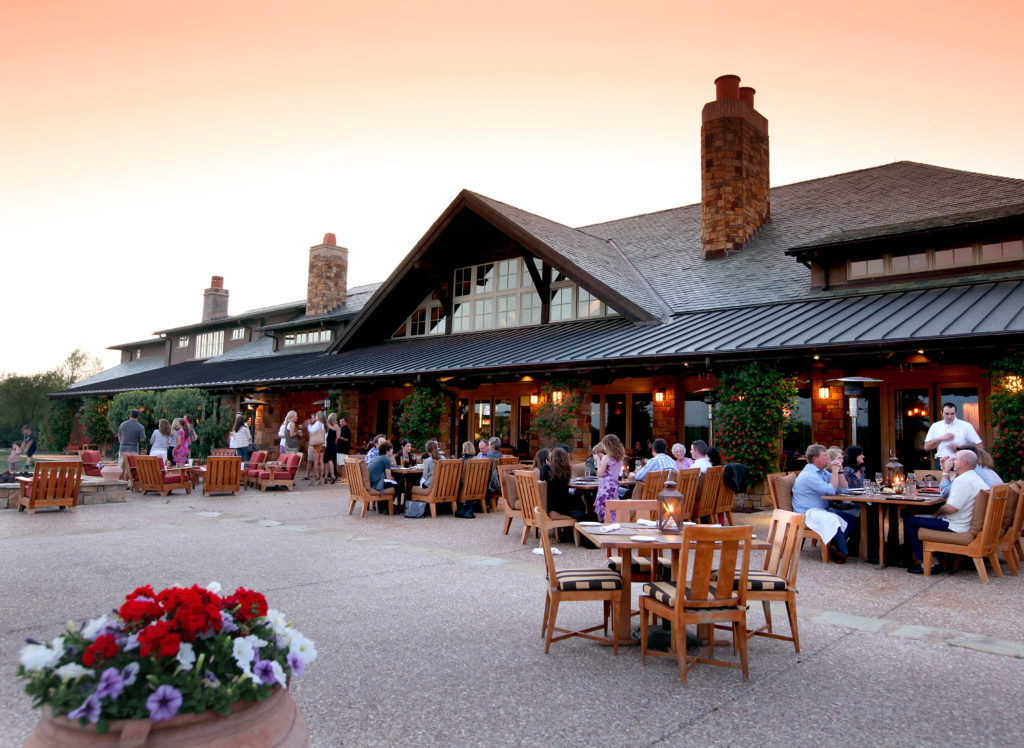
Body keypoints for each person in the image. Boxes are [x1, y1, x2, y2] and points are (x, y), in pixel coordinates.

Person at [904, 450, 987, 575]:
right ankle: (935, 559)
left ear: (964, 462)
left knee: (911, 521)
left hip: (956, 527)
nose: (953, 461)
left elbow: (950, 508)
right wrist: (945, 470)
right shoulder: (975, 478)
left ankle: (929, 563)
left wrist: (937, 513)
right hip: (966, 523)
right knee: (919, 518)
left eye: (955, 459)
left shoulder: (963, 480)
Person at [792, 444, 857, 563]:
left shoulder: (821, 472)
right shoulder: (809, 475)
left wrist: (840, 472)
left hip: (822, 509)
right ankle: (842, 551)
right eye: (825, 456)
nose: (828, 459)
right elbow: (831, 491)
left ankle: (834, 545)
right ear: (815, 458)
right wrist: (834, 472)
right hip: (808, 512)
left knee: (852, 519)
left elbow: (843, 489)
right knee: (833, 520)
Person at [923, 403, 982, 468]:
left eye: (952, 414)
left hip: (961, 461)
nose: (949, 417)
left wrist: (960, 448)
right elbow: (927, 447)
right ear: (941, 413)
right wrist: (940, 439)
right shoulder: (935, 426)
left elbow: (979, 446)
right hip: (941, 461)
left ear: (956, 413)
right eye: (947, 414)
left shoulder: (965, 426)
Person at [937, 445, 1003, 498]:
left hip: (974, 513)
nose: (953, 461)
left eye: (956, 458)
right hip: (987, 511)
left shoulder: (969, 475)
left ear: (964, 461)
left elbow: (945, 492)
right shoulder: (983, 470)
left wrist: (945, 471)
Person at [542, 447, 583, 521]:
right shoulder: (565, 472)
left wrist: (547, 465)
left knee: (577, 499)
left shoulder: (546, 469)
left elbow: (543, 481)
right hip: (561, 505)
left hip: (550, 503)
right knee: (579, 502)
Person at [595, 434, 625, 522]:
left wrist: (597, 461)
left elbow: (600, 473)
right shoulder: (620, 458)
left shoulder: (606, 458)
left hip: (605, 487)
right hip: (614, 487)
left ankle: (604, 528)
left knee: (604, 510)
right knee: (612, 510)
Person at [367, 439, 397, 508]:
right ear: (387, 451)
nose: (393, 451)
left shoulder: (376, 458)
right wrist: (396, 479)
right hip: (378, 485)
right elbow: (389, 477)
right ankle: (387, 507)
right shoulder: (386, 459)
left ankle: (382, 506)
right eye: (391, 449)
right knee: (399, 486)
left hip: (372, 483)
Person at [117, 410, 146, 479]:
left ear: (130, 415)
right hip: (133, 449)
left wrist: (121, 443)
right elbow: (142, 439)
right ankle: (126, 483)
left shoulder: (123, 424)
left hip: (122, 448)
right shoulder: (140, 427)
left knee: (121, 467)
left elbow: (119, 436)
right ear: (138, 416)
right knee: (130, 467)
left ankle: (119, 482)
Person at [307, 412, 326, 484]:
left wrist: (309, 425)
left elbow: (312, 430)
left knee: (316, 461)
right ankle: (321, 478)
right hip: (323, 444)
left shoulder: (318, 423)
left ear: (318, 417)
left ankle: (313, 479)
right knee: (321, 461)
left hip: (317, 444)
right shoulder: (324, 424)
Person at [324, 413, 341, 483]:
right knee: (329, 461)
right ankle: (325, 476)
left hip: (327, 444)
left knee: (329, 460)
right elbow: (338, 437)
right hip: (333, 445)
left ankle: (333, 476)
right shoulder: (337, 426)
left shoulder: (327, 425)